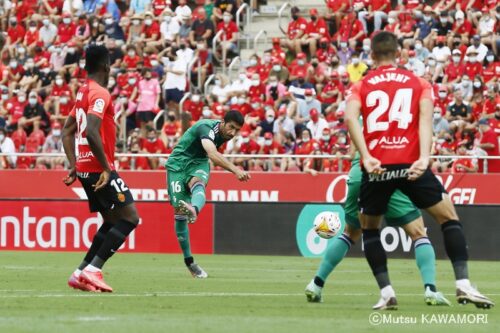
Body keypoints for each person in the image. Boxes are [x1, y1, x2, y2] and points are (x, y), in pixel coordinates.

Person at [344, 31, 493, 309]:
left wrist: (366, 155)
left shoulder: (360, 86)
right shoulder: (419, 83)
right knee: (449, 218)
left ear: (372, 56)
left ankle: (387, 293)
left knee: (370, 229)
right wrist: (424, 157)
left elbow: (350, 118)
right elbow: (426, 119)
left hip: (377, 166)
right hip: (412, 163)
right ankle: (463, 284)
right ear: (400, 54)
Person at [305, 147, 450, 308]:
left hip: (358, 174)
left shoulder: (358, 120)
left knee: (350, 233)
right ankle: (430, 290)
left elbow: (353, 153)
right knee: (418, 233)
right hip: (387, 172)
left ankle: (316, 285)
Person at [62, 45, 140, 293]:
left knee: (110, 221)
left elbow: (67, 130)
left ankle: (79, 273)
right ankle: (94, 270)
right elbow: (92, 131)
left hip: (85, 168)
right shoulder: (100, 93)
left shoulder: (82, 92)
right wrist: (106, 168)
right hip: (98, 168)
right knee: (130, 218)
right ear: (107, 65)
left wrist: (74, 165)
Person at [165, 110, 250, 278]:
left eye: (237, 130)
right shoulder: (206, 127)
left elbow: (207, 155)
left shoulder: (225, 134)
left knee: (198, 183)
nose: (233, 133)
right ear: (223, 122)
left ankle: (194, 209)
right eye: (231, 127)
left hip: (198, 162)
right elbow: (212, 153)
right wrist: (235, 170)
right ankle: (189, 262)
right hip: (177, 164)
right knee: (180, 215)